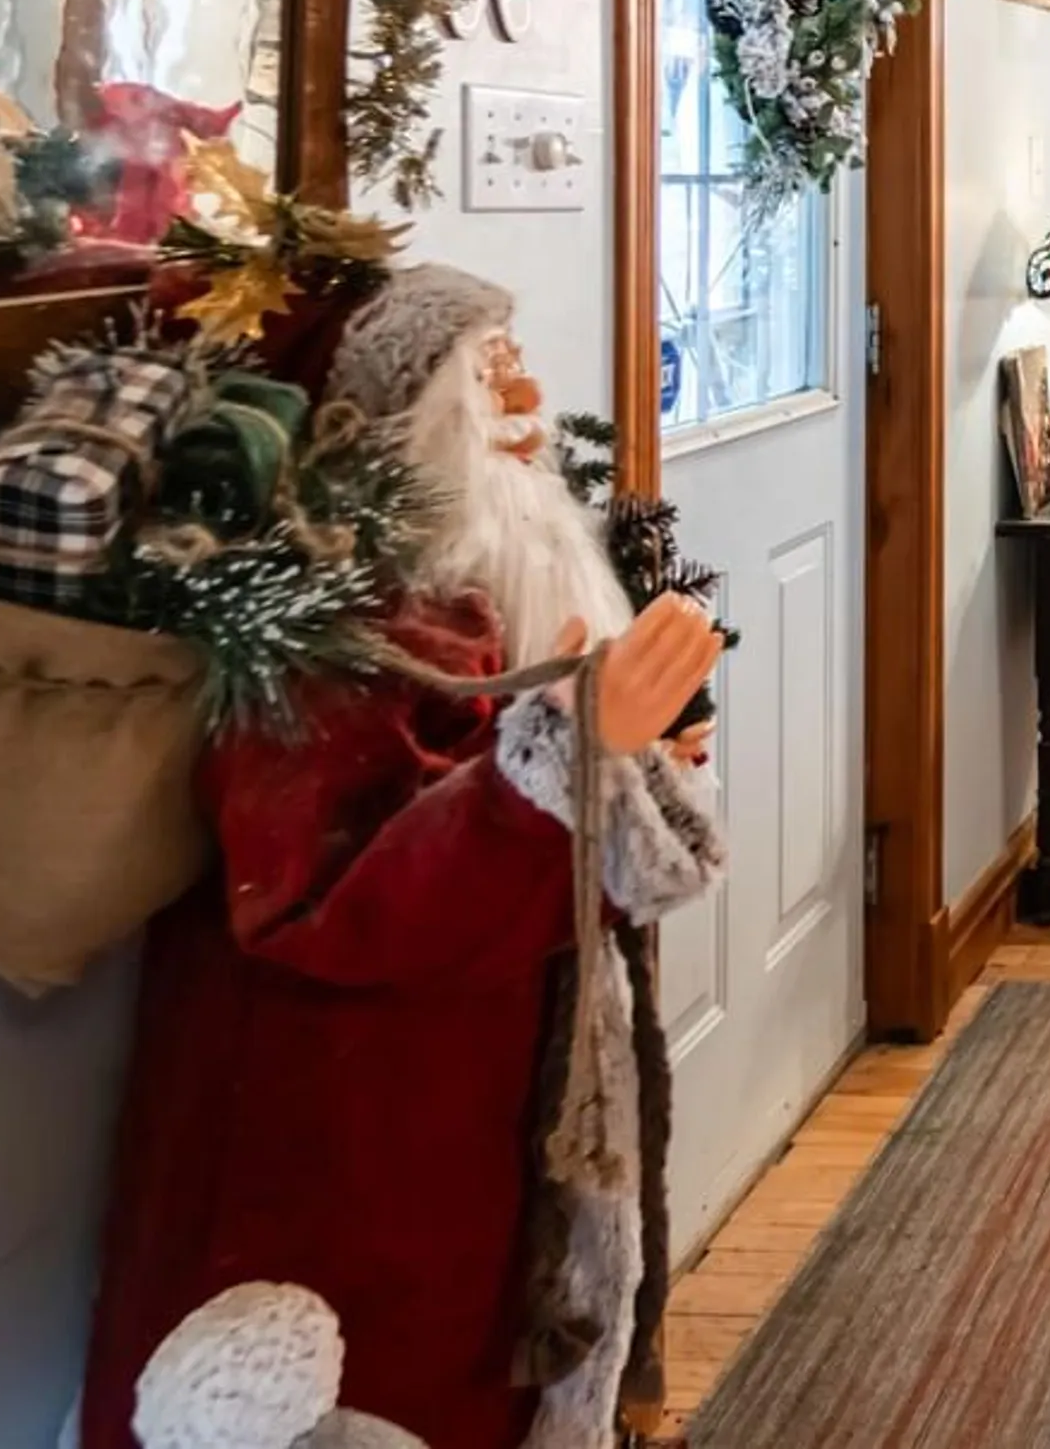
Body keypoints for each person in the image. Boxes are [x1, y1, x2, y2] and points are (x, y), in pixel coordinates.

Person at [80, 266, 726, 1449]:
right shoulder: (325, 638)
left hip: (486, 1110)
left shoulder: (468, 601)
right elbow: (343, 901)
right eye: (486, 375)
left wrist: (626, 759)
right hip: (358, 1137)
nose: (528, 391)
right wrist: (580, 757)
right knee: (377, 1389)